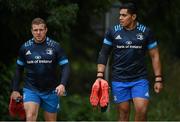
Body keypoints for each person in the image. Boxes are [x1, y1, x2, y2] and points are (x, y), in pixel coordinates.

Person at [96, 2, 163, 121]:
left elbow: (154, 55)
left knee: (141, 110)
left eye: (124, 15)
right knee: (123, 113)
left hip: (139, 79)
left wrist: (158, 78)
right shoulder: (112, 32)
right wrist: (100, 76)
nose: (120, 18)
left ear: (133, 17)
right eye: (120, 15)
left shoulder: (146, 32)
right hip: (119, 79)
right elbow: (104, 53)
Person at [10, 17, 70, 121]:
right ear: (31, 31)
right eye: (35, 30)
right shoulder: (25, 48)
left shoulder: (56, 47)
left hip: (51, 90)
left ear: (46, 30)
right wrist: (15, 89)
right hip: (31, 89)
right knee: (31, 116)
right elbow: (18, 69)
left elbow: (65, 66)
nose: (38, 33)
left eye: (41, 30)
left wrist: (62, 84)